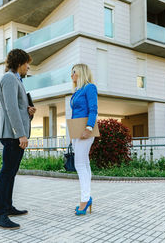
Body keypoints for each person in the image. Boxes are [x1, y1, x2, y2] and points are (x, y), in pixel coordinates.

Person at [0, 49, 36, 229]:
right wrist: (21, 134)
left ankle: (7, 207)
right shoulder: (9, 78)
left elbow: (17, 108)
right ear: (20, 62)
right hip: (12, 135)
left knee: (11, 173)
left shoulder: (16, 79)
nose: (28, 67)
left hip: (15, 134)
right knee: (6, 173)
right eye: (27, 63)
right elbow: (10, 109)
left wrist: (28, 112)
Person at [70, 64, 98, 216]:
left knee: (79, 165)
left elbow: (93, 109)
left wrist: (89, 127)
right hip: (76, 131)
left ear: (80, 72)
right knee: (84, 164)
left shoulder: (90, 87)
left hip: (85, 130)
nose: (71, 75)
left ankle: (84, 200)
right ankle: (87, 197)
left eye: (73, 72)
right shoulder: (77, 91)